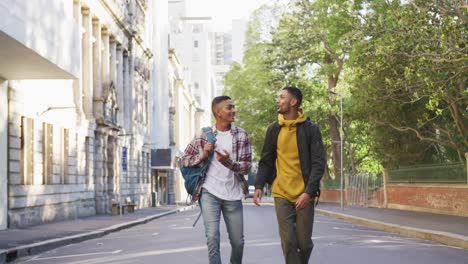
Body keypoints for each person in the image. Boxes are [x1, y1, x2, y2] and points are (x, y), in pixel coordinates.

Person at [253, 86, 325, 264]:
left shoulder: (310, 130)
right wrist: (259, 186)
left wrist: (308, 192)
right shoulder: (273, 129)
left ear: (293, 102)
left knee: (305, 243)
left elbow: (318, 163)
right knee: (289, 242)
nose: (278, 100)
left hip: (304, 194)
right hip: (281, 192)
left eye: (282, 97)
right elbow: (266, 161)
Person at [181, 96, 252, 264]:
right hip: (209, 193)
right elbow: (184, 160)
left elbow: (247, 166)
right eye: (229, 107)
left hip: (233, 195)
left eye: (234, 107)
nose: (233, 110)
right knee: (212, 238)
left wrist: (228, 163)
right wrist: (203, 155)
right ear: (217, 112)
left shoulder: (241, 135)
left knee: (238, 242)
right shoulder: (204, 135)